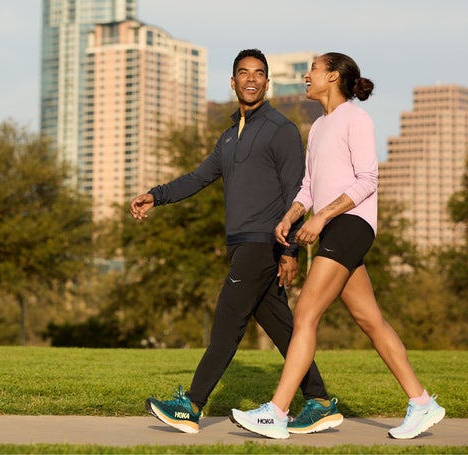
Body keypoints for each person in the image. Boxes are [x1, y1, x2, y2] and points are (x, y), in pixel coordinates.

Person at [229, 52, 445, 440]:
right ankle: (422, 402)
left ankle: (276, 412)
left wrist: (322, 217)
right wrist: (292, 216)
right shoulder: (319, 127)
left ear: (332, 77)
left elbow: (367, 180)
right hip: (335, 227)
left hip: (351, 224)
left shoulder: (355, 119)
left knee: (306, 313)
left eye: (312, 69)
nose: (307, 76)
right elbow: (309, 187)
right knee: (370, 320)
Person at [130, 49, 343, 435]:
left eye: (259, 73)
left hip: (262, 243)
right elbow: (197, 178)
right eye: (243, 73)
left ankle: (190, 406)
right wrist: (155, 195)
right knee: (283, 329)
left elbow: (296, 191)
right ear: (232, 82)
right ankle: (320, 400)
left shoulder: (280, 130)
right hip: (242, 243)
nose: (251, 79)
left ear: (266, 82)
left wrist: (290, 249)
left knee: (227, 323)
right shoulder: (229, 137)